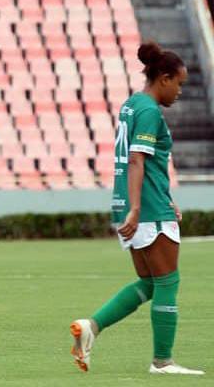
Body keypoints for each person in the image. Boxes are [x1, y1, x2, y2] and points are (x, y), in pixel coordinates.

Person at [70, 43, 204, 375]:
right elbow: (136, 160)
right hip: (145, 210)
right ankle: (163, 361)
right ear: (163, 78)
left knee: (149, 282)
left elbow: (147, 163)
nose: (180, 91)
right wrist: (137, 208)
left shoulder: (131, 105)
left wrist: (158, 200)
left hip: (139, 204)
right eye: (179, 83)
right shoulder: (149, 111)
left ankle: (92, 327)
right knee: (168, 282)